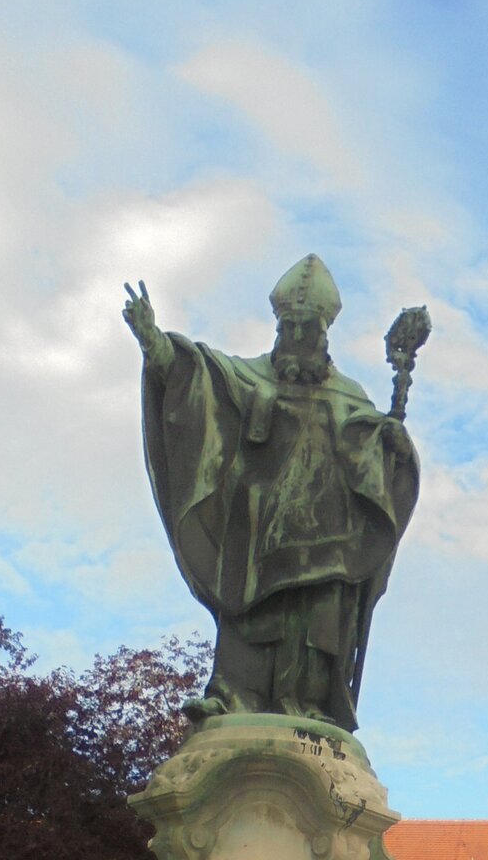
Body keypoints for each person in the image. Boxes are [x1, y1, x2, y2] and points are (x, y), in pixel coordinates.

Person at [123, 256, 420, 731]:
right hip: (259, 521)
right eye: (290, 328)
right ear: (278, 330)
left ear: (324, 336)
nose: (297, 337)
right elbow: (198, 377)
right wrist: (155, 343)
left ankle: (308, 703)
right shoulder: (248, 376)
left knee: (315, 619)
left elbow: (375, 457)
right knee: (248, 609)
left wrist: (394, 449)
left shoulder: (350, 395)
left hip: (327, 530)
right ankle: (232, 696)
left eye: (308, 330)